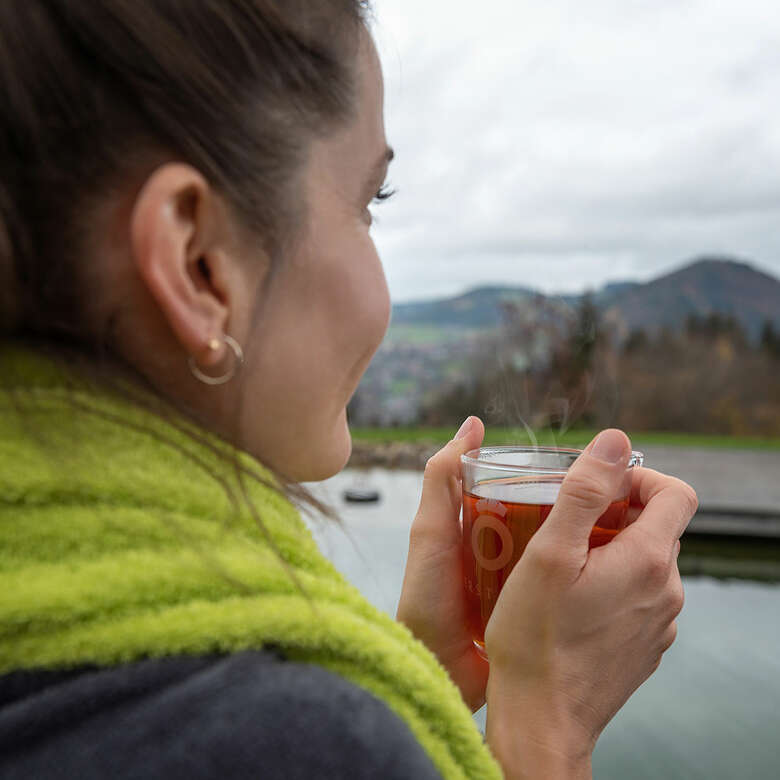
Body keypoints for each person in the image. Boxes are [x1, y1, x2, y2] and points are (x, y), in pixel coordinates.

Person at [0, 2, 697, 778]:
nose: (382, 287)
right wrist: (548, 723)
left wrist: (419, 679)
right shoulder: (286, 740)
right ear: (200, 264)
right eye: (369, 203)